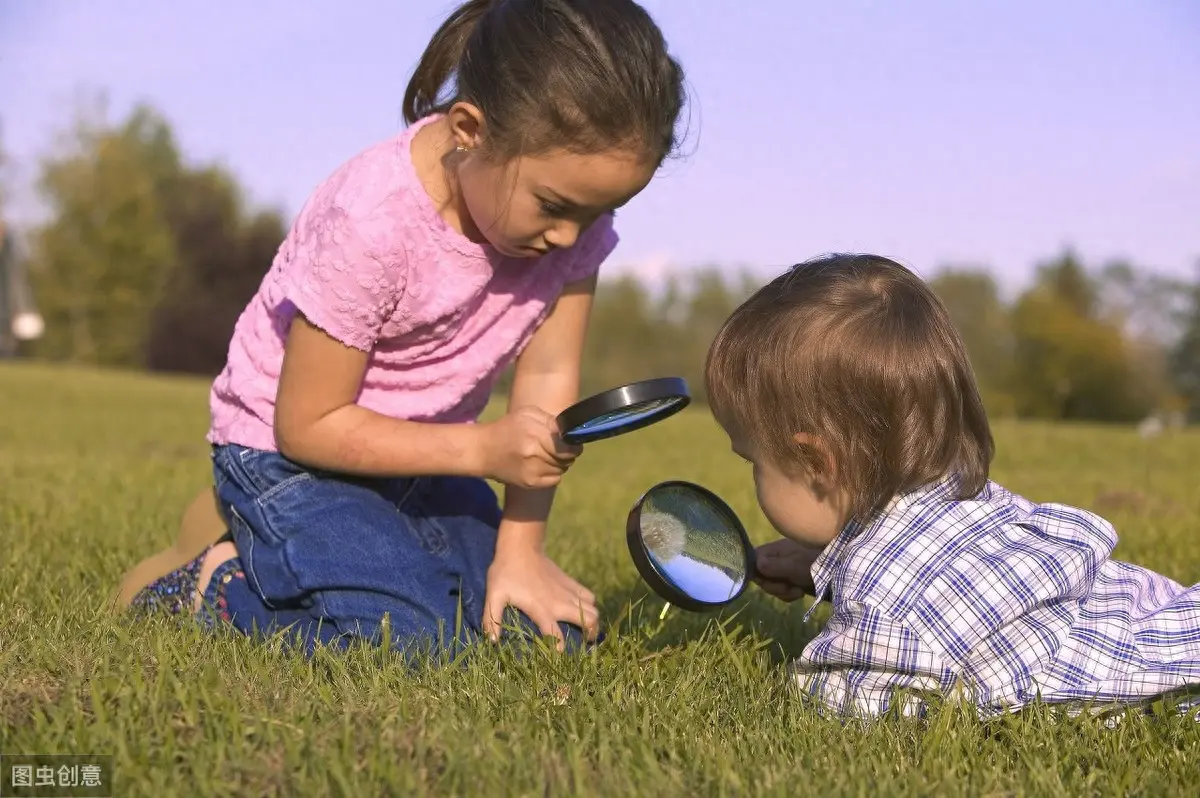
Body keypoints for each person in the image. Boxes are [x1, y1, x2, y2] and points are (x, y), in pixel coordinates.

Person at [115, 0, 687, 659]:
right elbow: (308, 426)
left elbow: (550, 382)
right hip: (285, 457)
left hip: (423, 458)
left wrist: (522, 554)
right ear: (471, 129)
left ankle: (299, 551)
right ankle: (213, 583)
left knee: (540, 637)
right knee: (406, 642)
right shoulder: (373, 222)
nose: (571, 237)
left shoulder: (571, 233)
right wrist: (480, 452)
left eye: (599, 213)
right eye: (554, 207)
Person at [703, 253, 1200, 720]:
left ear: (815, 462)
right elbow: (942, 594)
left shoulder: (884, 612)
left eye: (753, 460)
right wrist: (831, 574)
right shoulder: (966, 498)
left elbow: (847, 700)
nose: (751, 474)